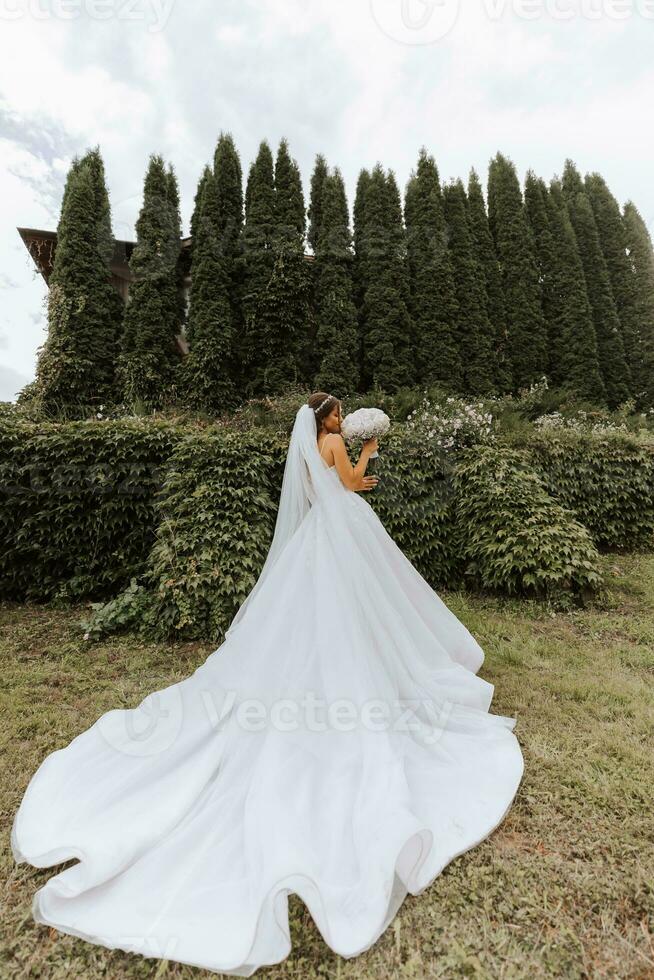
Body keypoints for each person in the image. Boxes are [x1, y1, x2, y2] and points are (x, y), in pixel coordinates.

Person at [12, 392, 524, 977]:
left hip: (320, 536)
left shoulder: (309, 448)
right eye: (336, 414)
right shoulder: (333, 442)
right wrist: (370, 451)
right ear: (327, 419)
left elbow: (321, 491)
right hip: (342, 533)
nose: (338, 420)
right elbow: (353, 482)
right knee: (356, 613)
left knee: (311, 618)